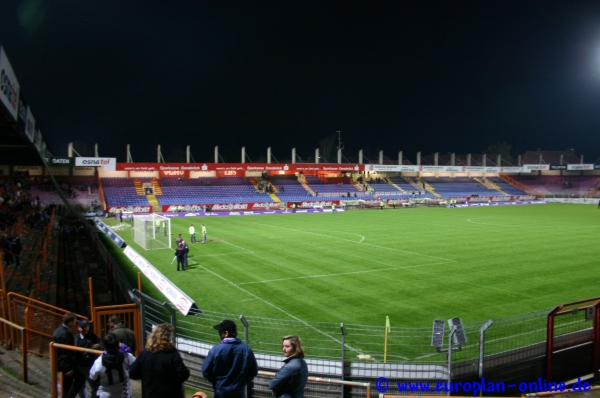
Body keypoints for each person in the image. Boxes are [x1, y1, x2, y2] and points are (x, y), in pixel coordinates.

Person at [129, 323, 190, 398]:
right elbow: (183, 374)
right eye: (171, 335)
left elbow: (132, 372)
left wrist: (146, 377)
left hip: (150, 394)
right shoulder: (172, 353)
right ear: (167, 337)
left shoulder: (144, 353)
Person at [201, 320, 258, 398]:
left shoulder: (215, 350)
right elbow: (254, 370)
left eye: (220, 332)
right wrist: (243, 383)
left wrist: (216, 383)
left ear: (226, 333)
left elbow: (205, 371)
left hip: (221, 393)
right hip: (239, 392)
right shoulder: (246, 349)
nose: (219, 334)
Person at [90, 333, 136, 398]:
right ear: (118, 345)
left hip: (105, 395)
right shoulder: (127, 357)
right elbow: (136, 367)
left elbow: (93, 377)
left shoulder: (99, 362)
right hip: (124, 394)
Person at [53, 312, 86, 398]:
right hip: (67, 365)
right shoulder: (65, 334)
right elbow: (64, 353)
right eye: (74, 322)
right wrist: (67, 368)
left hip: (64, 364)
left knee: (67, 386)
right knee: (80, 378)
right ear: (70, 322)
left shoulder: (59, 330)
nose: (75, 324)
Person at [76, 320, 101, 398]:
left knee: (95, 386)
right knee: (80, 387)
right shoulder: (76, 338)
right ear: (78, 328)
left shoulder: (93, 336)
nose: (85, 329)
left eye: (86, 327)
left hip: (90, 365)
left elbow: (101, 344)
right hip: (79, 365)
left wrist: (98, 346)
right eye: (82, 327)